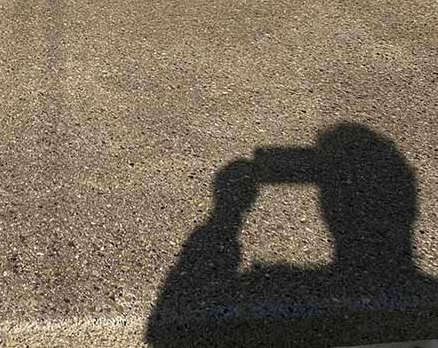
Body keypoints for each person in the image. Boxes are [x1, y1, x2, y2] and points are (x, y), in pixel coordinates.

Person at [146, 123, 438, 347]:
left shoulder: (266, 288)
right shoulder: (424, 298)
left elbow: (169, 321)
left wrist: (226, 212)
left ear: (329, 208)